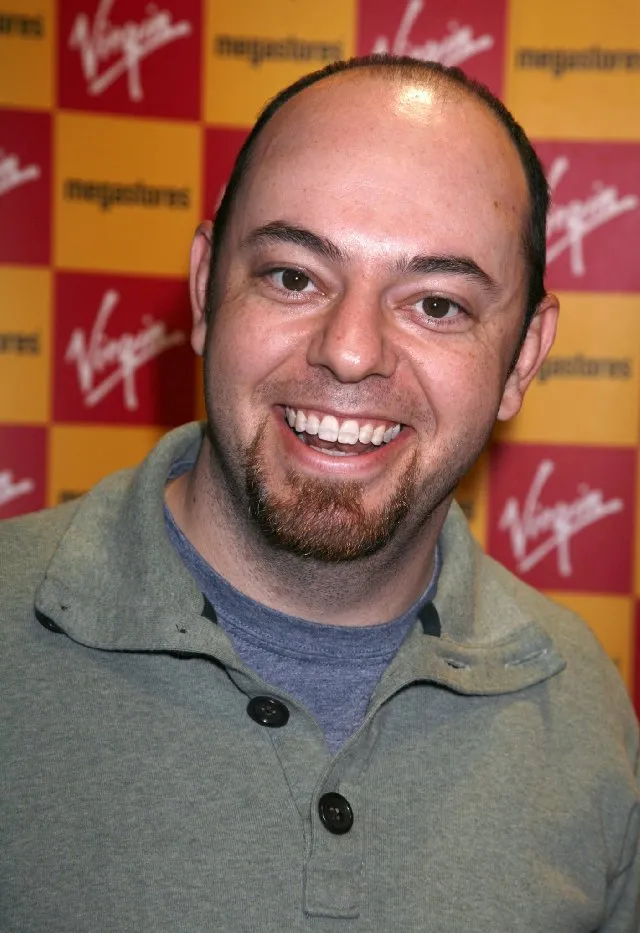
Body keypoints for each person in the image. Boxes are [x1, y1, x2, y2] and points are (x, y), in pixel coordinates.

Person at [1, 55, 638, 933]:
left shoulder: (583, 704)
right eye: (294, 276)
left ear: (523, 357)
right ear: (205, 289)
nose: (349, 350)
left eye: (438, 304)